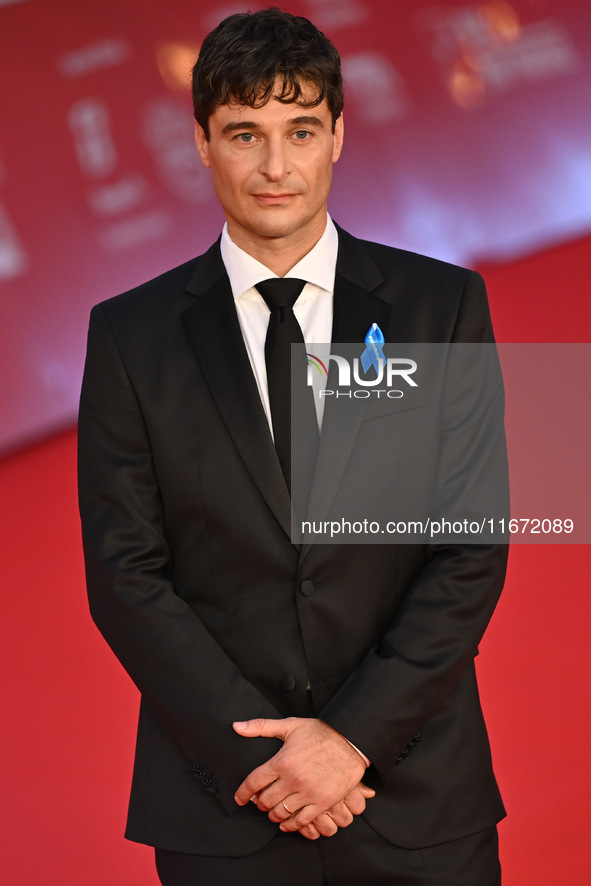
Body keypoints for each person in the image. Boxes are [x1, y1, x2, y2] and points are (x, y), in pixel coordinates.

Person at [78, 8, 508, 885]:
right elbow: (124, 577)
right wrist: (270, 765)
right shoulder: (127, 335)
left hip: (414, 792)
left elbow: (475, 548)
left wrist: (353, 741)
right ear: (202, 142)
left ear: (337, 136)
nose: (275, 167)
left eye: (299, 130)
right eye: (244, 134)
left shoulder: (445, 307)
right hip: (224, 804)